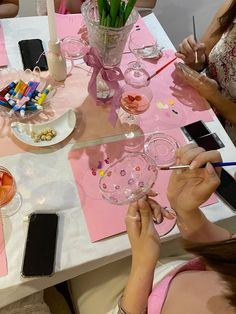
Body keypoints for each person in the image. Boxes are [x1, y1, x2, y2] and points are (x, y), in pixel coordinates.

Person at [69, 144, 236, 314]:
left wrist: (143, 264)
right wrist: (186, 212)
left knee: (75, 258)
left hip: (130, 302)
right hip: (181, 267)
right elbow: (227, 258)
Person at [175, 0, 236, 143]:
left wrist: (214, 96)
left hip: (227, 133)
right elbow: (202, 59)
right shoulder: (232, 5)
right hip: (198, 97)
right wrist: (193, 57)